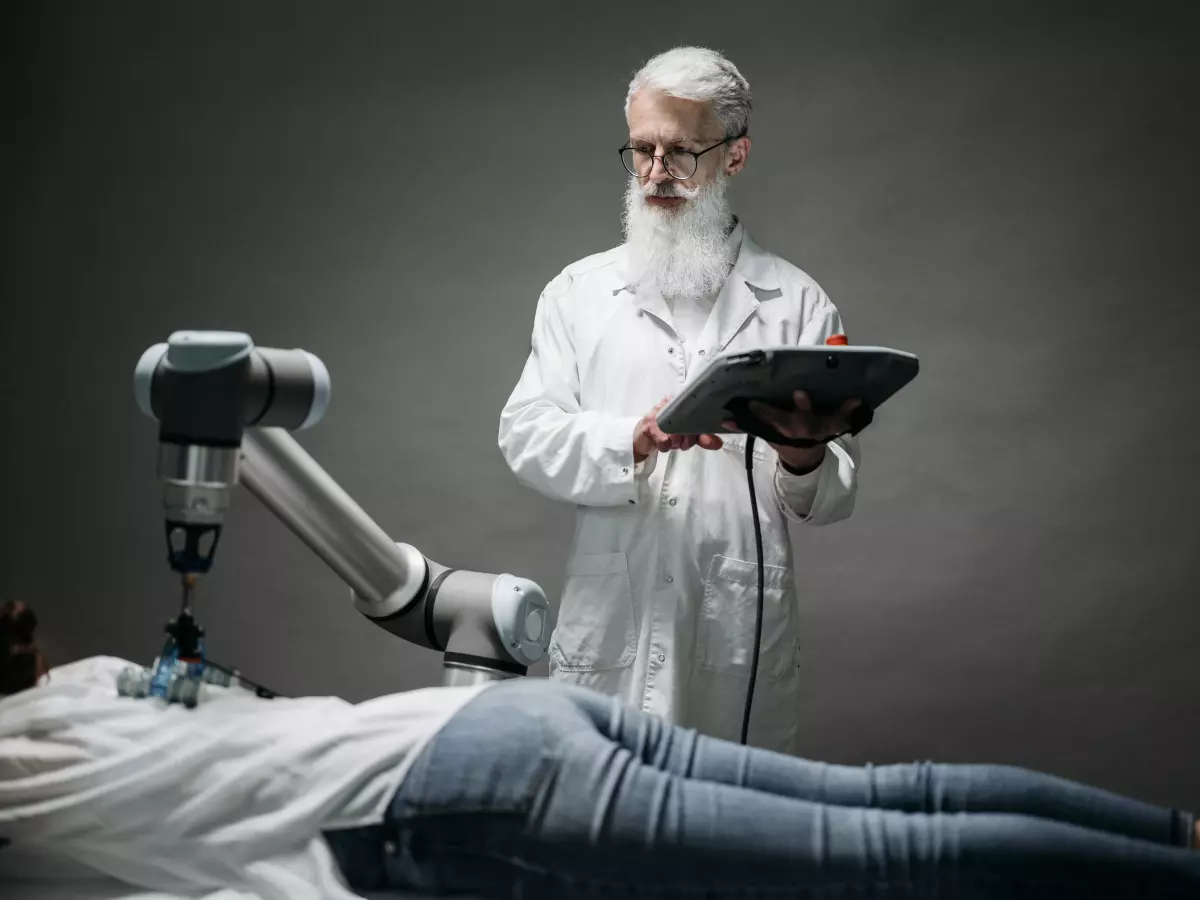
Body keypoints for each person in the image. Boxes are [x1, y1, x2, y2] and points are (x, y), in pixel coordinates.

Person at [3, 601, 1200, 900]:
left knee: (878, 865)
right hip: (488, 721)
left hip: (449, 797)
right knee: (893, 801)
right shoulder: (91, 680)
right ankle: (1180, 837)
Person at [498, 46, 864, 754]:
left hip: (735, 623)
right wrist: (630, 438)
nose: (657, 173)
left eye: (682, 152)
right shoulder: (578, 293)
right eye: (642, 151)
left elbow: (836, 494)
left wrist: (803, 453)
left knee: (729, 827)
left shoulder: (795, 302)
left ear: (735, 156)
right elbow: (526, 433)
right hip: (611, 617)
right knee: (598, 820)